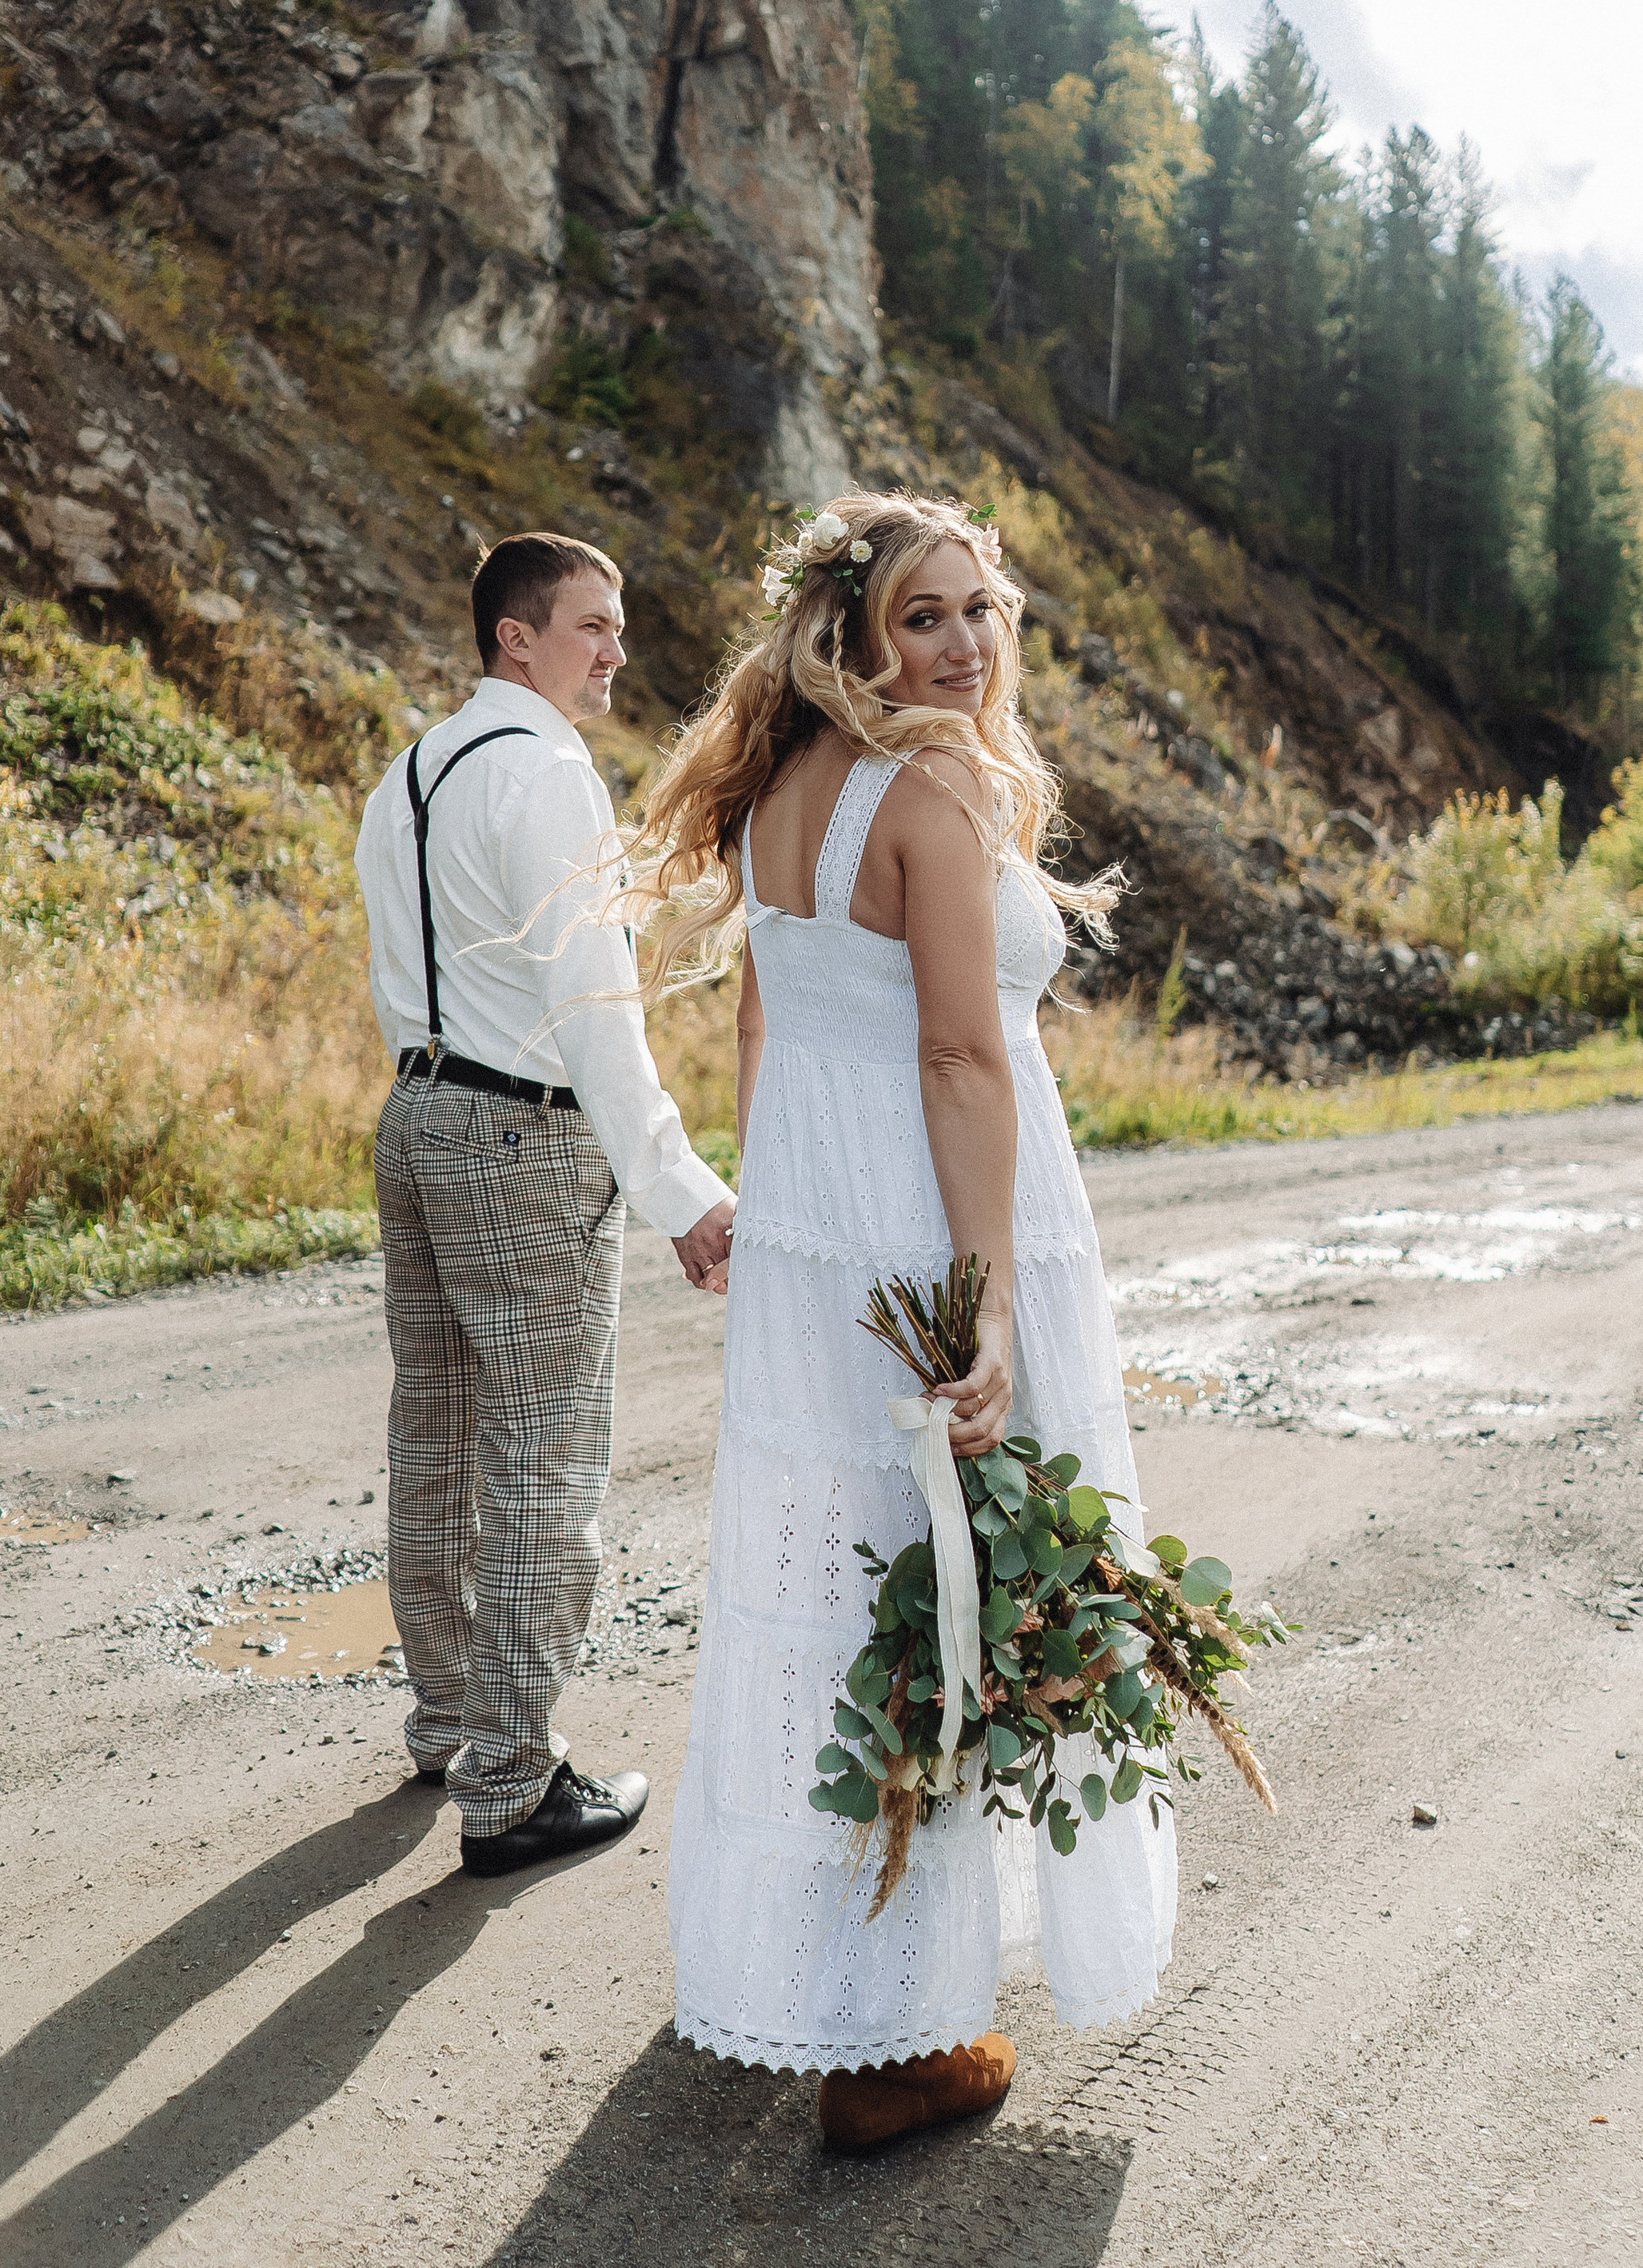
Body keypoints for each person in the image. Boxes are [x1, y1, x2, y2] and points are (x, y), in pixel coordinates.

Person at [628, 492, 1174, 2150]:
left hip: (826, 1222)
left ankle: (820, 1967)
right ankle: (893, 2045)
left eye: (978, 611)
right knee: (933, 1585)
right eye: (921, 616)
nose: (958, 644)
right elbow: (957, 1056)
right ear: (850, 631)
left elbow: (764, 1015)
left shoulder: (787, 789)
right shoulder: (924, 782)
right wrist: (989, 1305)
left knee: (856, 1572)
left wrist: (769, 1205)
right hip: (929, 1226)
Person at [354, 530, 736, 1875]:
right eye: (593, 624)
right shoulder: (551, 775)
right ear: (516, 637)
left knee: (437, 1434)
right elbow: (593, 1003)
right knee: (543, 1453)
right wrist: (678, 1184)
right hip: (521, 1131)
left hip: (414, 1112)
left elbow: (419, 970)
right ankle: (513, 1782)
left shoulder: (404, 775)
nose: (616, 648)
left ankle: (451, 1718)